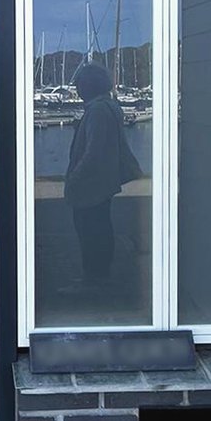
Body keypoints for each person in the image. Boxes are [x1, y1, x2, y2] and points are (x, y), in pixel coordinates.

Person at [63, 63, 142, 287]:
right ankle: (100, 276)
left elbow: (93, 152)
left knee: (90, 231)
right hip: (103, 182)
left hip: (91, 185)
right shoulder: (110, 107)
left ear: (88, 85)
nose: (77, 88)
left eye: (79, 83)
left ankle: (93, 278)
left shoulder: (97, 111)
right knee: (101, 227)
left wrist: (74, 178)